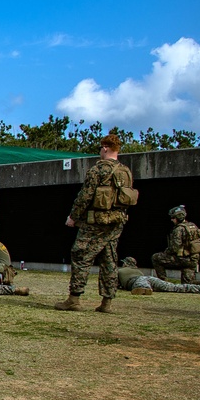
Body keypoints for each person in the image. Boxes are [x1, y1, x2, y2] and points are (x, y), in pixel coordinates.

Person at [55, 133, 136, 314]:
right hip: (116, 223)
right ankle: (107, 302)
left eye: (101, 148)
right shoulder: (126, 172)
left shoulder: (97, 170)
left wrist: (73, 217)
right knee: (109, 259)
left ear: (105, 148)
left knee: (81, 255)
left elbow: (85, 197)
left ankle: (74, 299)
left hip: (96, 222)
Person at [150, 205, 200, 284]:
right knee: (188, 284)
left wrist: (166, 253)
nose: (171, 220)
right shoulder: (194, 227)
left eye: (173, 218)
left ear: (177, 218)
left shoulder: (178, 229)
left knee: (156, 257)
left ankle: (162, 282)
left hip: (182, 259)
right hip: (193, 260)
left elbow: (174, 248)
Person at [118, 257, 200, 295]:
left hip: (137, 280)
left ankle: (144, 289)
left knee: (140, 285)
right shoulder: (137, 270)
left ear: (126, 264)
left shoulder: (121, 271)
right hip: (151, 278)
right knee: (173, 287)